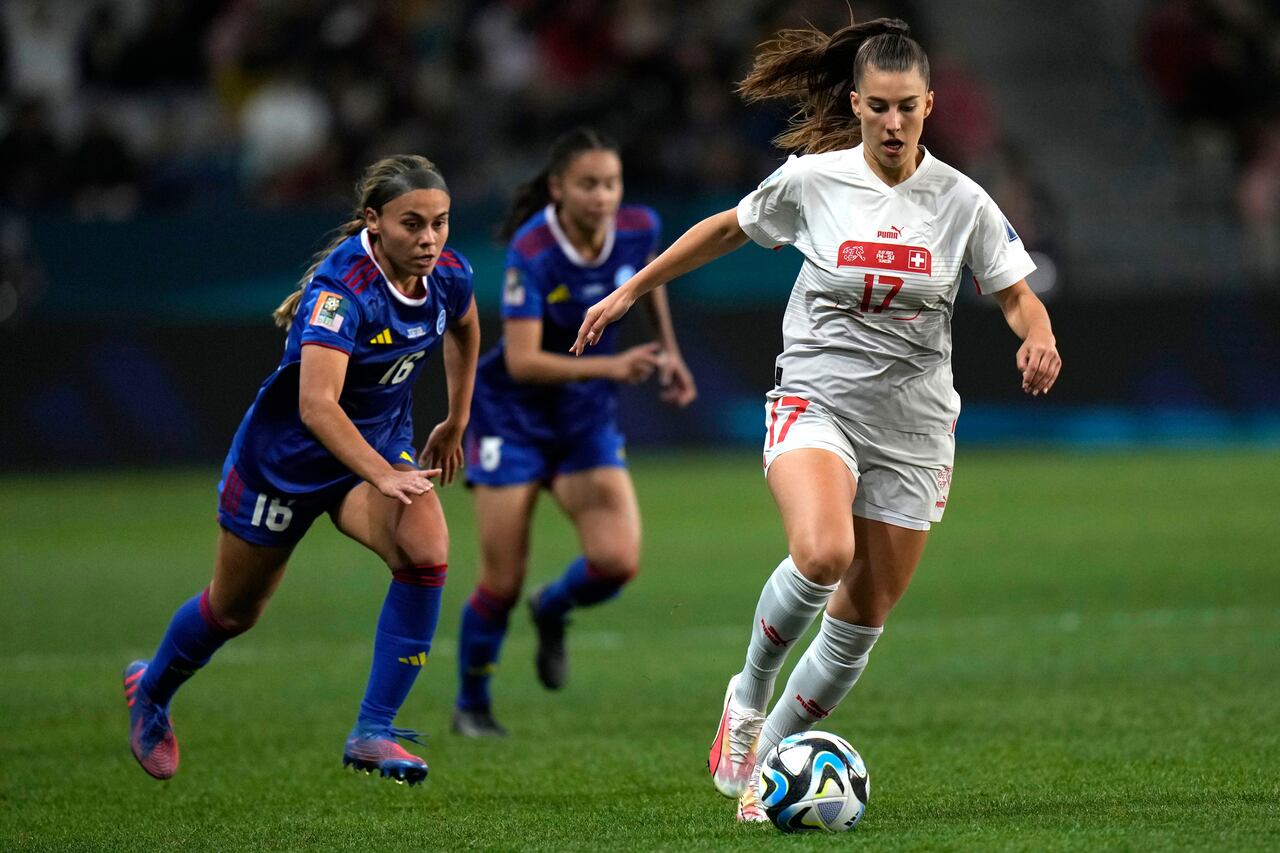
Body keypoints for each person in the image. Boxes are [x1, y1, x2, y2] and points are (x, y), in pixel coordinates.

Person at [572, 19, 1061, 821]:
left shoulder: (961, 200)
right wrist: (630, 289)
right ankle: (748, 694)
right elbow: (728, 229)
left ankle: (767, 772)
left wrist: (1038, 336)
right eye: (879, 107)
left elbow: (1015, 294)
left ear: (930, 105)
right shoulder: (814, 180)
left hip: (913, 426)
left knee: (864, 615)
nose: (894, 123)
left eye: (908, 107)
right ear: (856, 104)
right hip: (817, 398)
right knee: (824, 550)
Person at [122, 154, 480, 786]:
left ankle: (373, 731)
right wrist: (383, 474)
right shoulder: (343, 293)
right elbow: (316, 407)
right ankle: (150, 692)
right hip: (283, 467)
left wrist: (455, 417)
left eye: (440, 223)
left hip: (370, 456)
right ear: (373, 222)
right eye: (411, 224)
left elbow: (466, 330)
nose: (429, 239)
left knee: (426, 549)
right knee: (234, 612)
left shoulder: (448, 273)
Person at [452, 128, 696, 737]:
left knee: (616, 562)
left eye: (611, 183)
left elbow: (648, 281)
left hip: (583, 419)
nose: (603, 196)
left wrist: (670, 351)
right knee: (500, 581)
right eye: (589, 184)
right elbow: (524, 360)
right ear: (559, 188)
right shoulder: (533, 251)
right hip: (513, 419)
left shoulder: (639, 227)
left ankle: (553, 606)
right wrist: (614, 365)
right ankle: (472, 706)